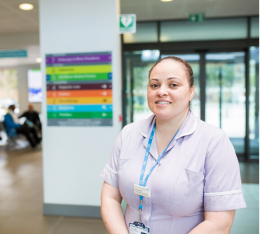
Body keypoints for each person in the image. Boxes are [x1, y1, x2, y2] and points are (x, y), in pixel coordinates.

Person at [100, 57, 246, 234]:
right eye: (154, 85)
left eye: (173, 85)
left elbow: (220, 223)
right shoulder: (128, 134)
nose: (161, 91)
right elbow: (110, 198)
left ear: (191, 92)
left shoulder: (214, 142)